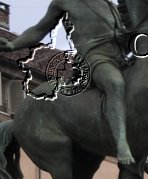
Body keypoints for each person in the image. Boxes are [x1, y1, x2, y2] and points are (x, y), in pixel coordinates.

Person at [1, 0, 137, 166]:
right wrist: (13, 45)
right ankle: (122, 144)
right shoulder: (64, 2)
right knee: (114, 84)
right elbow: (39, 30)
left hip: (121, 58)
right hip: (94, 59)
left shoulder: (110, 5)